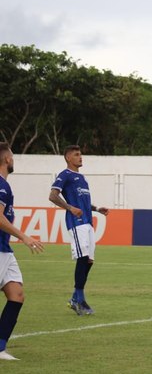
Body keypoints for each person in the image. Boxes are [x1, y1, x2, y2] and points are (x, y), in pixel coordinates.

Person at [48, 145, 109, 315]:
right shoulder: (65, 175)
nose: (80, 157)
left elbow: (83, 203)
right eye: (76, 155)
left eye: (81, 154)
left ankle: (76, 297)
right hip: (77, 222)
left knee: (89, 261)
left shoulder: (82, 178)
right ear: (68, 158)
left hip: (88, 222)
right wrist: (69, 208)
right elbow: (52, 195)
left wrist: (97, 209)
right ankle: (80, 300)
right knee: (82, 258)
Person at [0, 142, 45, 360]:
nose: (13, 160)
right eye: (12, 157)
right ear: (7, 160)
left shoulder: (5, 185)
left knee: (16, 295)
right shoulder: (1, 185)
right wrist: (24, 236)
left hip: (5, 250)